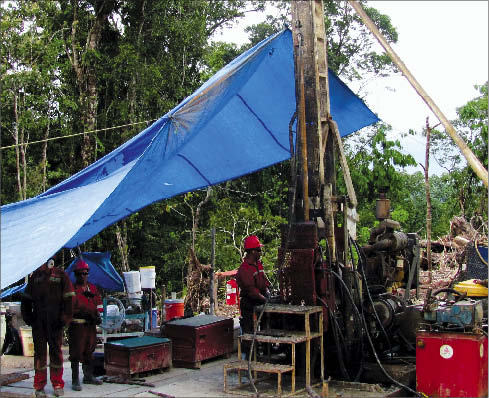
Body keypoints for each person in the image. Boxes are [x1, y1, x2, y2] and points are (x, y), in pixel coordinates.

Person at [21, 256, 74, 398]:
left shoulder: (61, 275)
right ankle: (39, 386)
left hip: (55, 322)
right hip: (39, 323)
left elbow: (69, 298)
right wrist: (28, 317)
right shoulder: (35, 278)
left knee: (56, 352)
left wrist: (64, 319)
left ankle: (57, 384)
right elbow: (26, 299)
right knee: (39, 354)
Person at [68, 258, 103, 391]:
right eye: (79, 273)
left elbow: (98, 304)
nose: (82, 276)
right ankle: (75, 379)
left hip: (90, 325)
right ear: (76, 275)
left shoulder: (92, 288)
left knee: (90, 349)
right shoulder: (72, 289)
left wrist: (98, 315)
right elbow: (69, 307)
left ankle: (88, 375)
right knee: (76, 352)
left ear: (88, 274)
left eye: (85, 273)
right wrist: (82, 313)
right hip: (77, 326)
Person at [236, 235, 271, 357]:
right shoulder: (245, 269)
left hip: (259, 300)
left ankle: (266, 353)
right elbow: (251, 291)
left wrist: (268, 292)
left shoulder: (258, 264)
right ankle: (249, 357)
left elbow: (264, 282)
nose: (261, 252)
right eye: (259, 250)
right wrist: (265, 299)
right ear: (252, 251)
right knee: (249, 331)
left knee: (268, 324)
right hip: (249, 303)